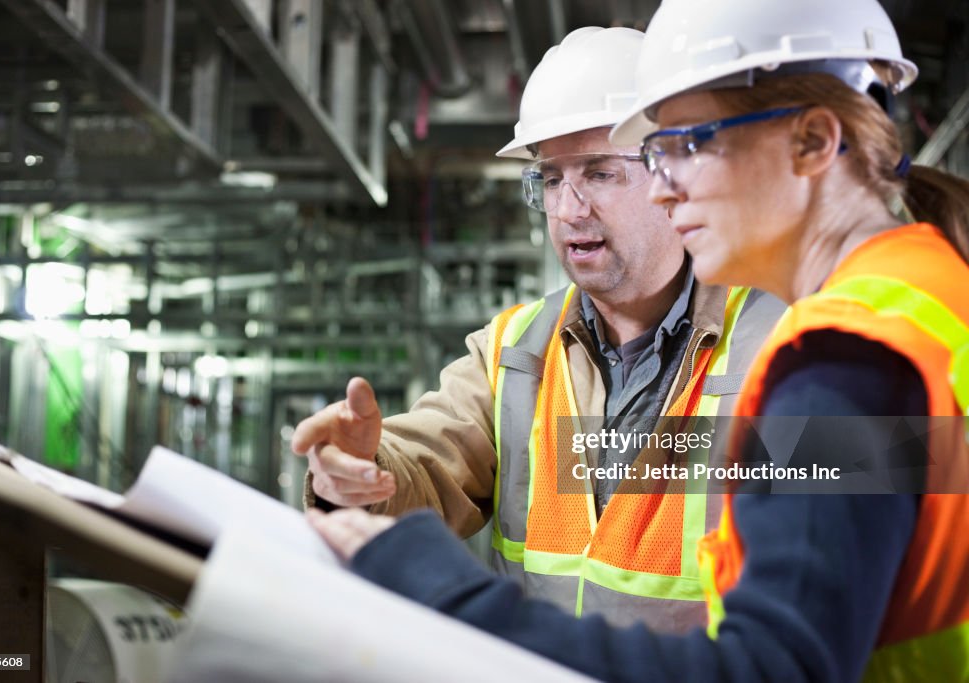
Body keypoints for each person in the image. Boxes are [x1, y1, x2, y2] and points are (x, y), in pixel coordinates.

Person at [307, 1, 969, 681]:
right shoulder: (915, 301)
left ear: (813, 143)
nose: (666, 186)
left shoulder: (843, 361)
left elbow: (774, 667)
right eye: (656, 152)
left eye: (688, 144)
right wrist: (364, 475)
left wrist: (446, 591)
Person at [293, 26, 784, 630]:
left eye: (599, 173)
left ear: (672, 172)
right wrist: (360, 469)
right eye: (551, 178)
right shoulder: (515, 351)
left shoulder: (782, 339)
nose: (569, 209)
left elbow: (883, 517)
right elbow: (427, 463)